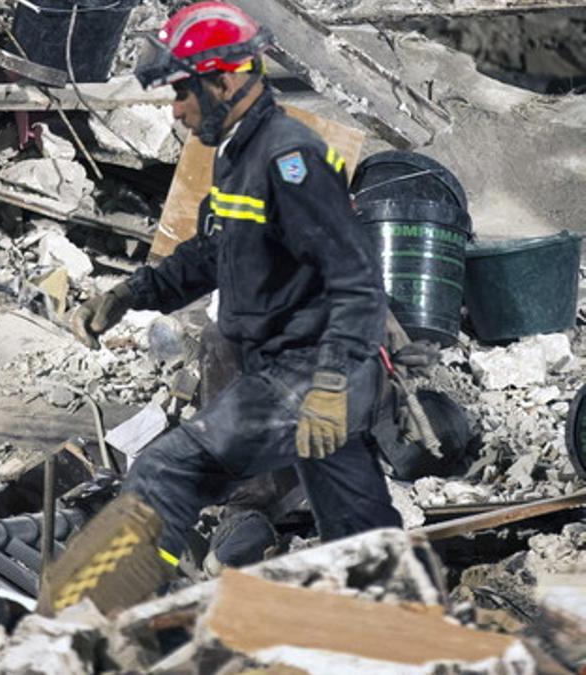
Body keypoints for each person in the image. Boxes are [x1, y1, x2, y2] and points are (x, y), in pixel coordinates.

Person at [36, 2, 402, 617]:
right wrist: (129, 294)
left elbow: (358, 276)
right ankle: (403, 628)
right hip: (297, 371)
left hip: (312, 374)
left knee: (167, 470)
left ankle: (98, 623)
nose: (175, 110)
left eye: (182, 91)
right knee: (360, 532)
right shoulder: (240, 153)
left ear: (225, 80)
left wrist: (333, 383)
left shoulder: (291, 158)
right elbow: (214, 253)